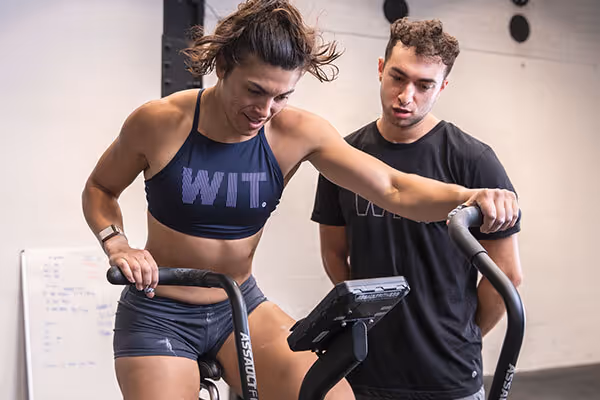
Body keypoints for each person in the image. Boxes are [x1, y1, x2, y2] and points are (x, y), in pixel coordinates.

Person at [82, 2, 519, 399]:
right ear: (224, 66)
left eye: (282, 96)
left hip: (239, 303)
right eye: (255, 91)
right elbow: (100, 189)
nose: (265, 109)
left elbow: (394, 188)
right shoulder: (159, 122)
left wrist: (470, 195)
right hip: (159, 308)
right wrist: (117, 243)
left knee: (333, 396)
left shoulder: (296, 132)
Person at [311, 18, 523, 400]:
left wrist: (464, 332)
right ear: (381, 68)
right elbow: (334, 253)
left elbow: (507, 273)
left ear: (442, 87)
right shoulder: (345, 158)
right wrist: (363, 320)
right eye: (398, 77)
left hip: (448, 372)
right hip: (366, 367)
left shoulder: (473, 160)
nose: (406, 96)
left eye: (424, 85)